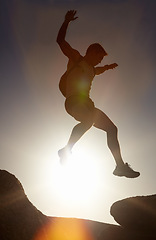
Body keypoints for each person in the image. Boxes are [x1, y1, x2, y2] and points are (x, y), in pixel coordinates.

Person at [56, 10, 140, 178]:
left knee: (112, 128)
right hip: (73, 101)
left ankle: (120, 166)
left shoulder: (92, 70)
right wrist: (66, 22)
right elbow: (60, 41)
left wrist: (108, 67)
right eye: (99, 57)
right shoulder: (76, 58)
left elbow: (98, 70)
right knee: (87, 121)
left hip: (87, 104)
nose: (100, 61)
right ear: (92, 52)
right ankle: (66, 150)